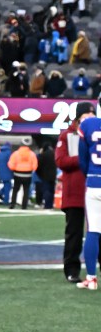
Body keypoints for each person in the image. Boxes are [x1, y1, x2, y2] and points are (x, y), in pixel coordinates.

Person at [57, 102, 92, 283]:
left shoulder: (96, 135)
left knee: (97, 233)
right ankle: (72, 270)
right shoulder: (67, 136)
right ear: (78, 118)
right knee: (74, 234)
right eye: (87, 115)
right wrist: (83, 157)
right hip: (75, 192)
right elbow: (61, 161)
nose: (90, 119)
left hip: (94, 190)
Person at [77, 101, 101, 290]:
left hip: (94, 181)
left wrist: (90, 176)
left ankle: (91, 278)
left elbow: (82, 159)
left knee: (93, 231)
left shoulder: (87, 124)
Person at [8, 142, 38, 210]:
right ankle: (24, 206)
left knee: (15, 190)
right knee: (26, 190)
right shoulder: (31, 154)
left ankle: (12, 204)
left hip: (17, 174)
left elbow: (11, 163)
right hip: (28, 174)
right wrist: (31, 169)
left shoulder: (16, 153)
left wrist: (14, 169)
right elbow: (35, 165)